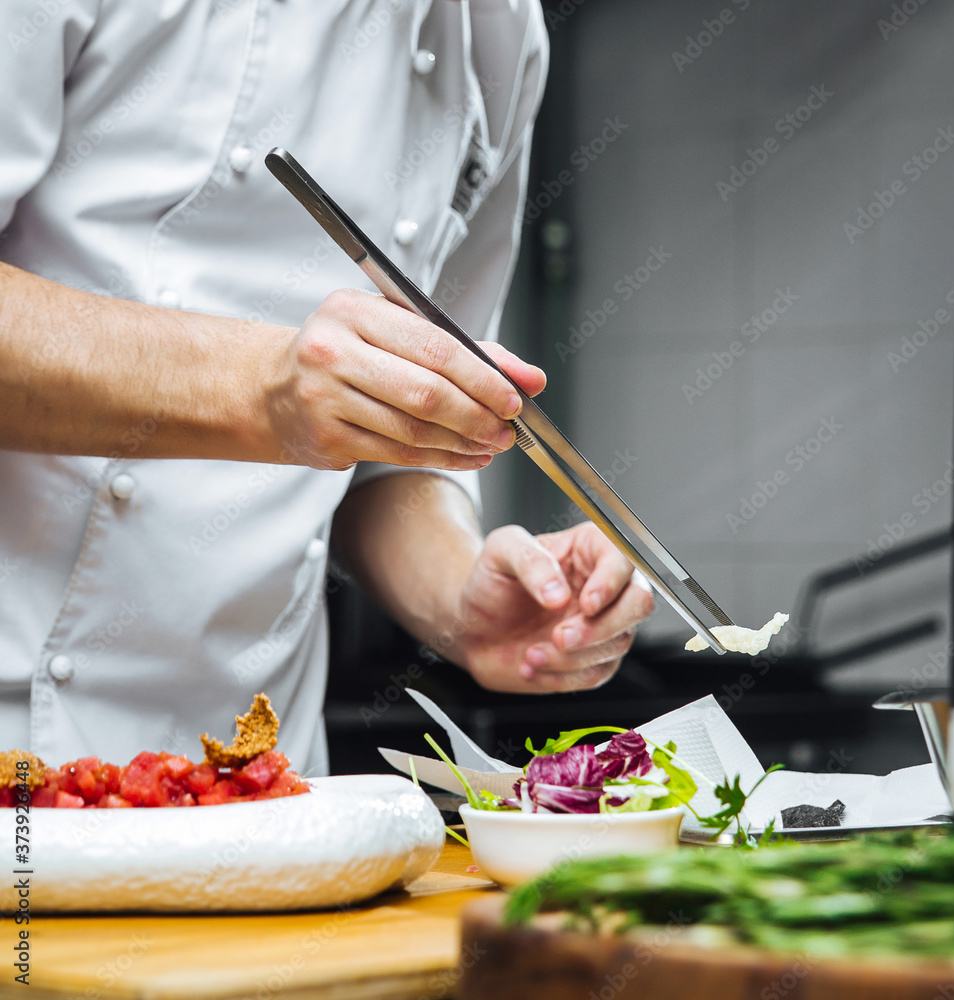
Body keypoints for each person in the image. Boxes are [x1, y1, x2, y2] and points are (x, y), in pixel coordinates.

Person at [0, 0, 654, 774]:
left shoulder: (501, 34)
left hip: (255, 771)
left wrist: (461, 599)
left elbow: (395, 448)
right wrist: (266, 392)